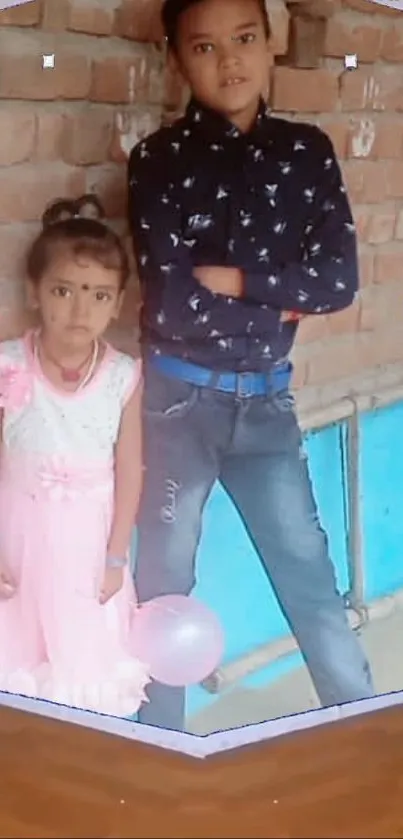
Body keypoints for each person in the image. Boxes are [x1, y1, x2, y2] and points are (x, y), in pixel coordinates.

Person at [128, 0, 374, 732]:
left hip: (266, 407)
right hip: (177, 405)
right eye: (203, 47)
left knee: (310, 580)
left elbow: (336, 282)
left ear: (270, 44)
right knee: (162, 586)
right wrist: (279, 291)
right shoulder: (158, 160)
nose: (227, 60)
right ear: (175, 57)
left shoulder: (306, 152)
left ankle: (365, 734)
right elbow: (171, 305)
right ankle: (155, 746)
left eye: (243, 40)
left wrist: (235, 281)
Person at [0, 194, 150, 717]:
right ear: (35, 292)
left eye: (99, 295)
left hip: (88, 545)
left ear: (119, 302)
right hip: (16, 537)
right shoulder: (9, 365)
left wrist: (115, 556)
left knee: (83, 658)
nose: (80, 310)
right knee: (18, 651)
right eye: (63, 291)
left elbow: (130, 469)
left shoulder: (121, 376)